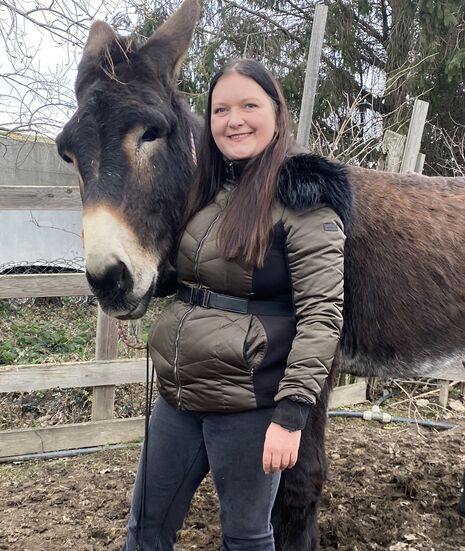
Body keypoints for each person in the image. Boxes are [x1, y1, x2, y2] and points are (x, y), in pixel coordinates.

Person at [124, 58, 351, 551]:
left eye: (250, 105)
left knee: (246, 537)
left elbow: (321, 318)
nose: (234, 120)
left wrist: (291, 418)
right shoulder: (209, 190)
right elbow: (196, 278)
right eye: (221, 109)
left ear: (276, 113)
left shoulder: (303, 199)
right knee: (145, 529)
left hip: (250, 404)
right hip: (179, 395)